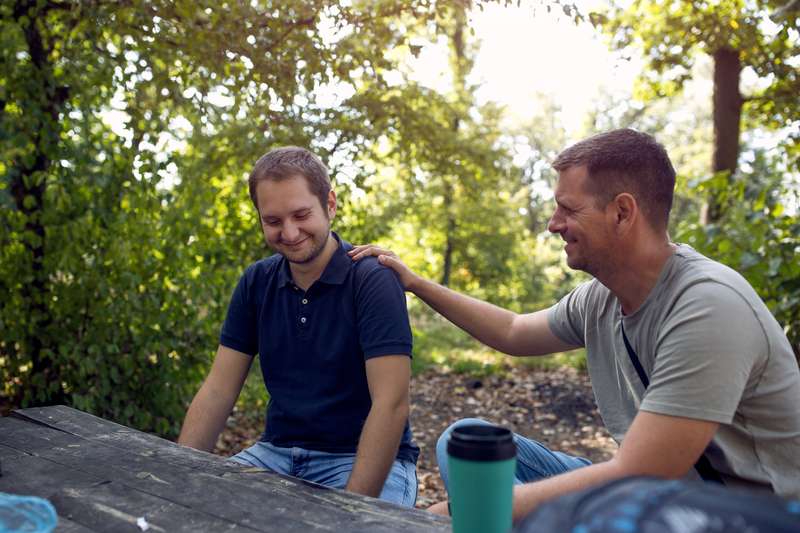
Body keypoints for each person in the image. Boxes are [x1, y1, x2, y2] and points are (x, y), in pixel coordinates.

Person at [348, 129, 800, 520]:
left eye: (568, 208)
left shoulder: (708, 306)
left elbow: (641, 472)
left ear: (622, 213)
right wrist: (415, 282)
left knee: (484, 503)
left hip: (734, 517)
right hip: (648, 491)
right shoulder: (600, 298)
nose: (552, 224)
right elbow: (512, 331)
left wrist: (475, 511)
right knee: (464, 445)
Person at [178, 146, 419, 507]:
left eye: (301, 215)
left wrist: (351, 510)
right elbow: (218, 390)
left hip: (357, 459)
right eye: (272, 221)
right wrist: (177, 473)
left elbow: (392, 403)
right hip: (274, 454)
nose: (289, 233)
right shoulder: (256, 281)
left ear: (330, 205)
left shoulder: (372, 279)